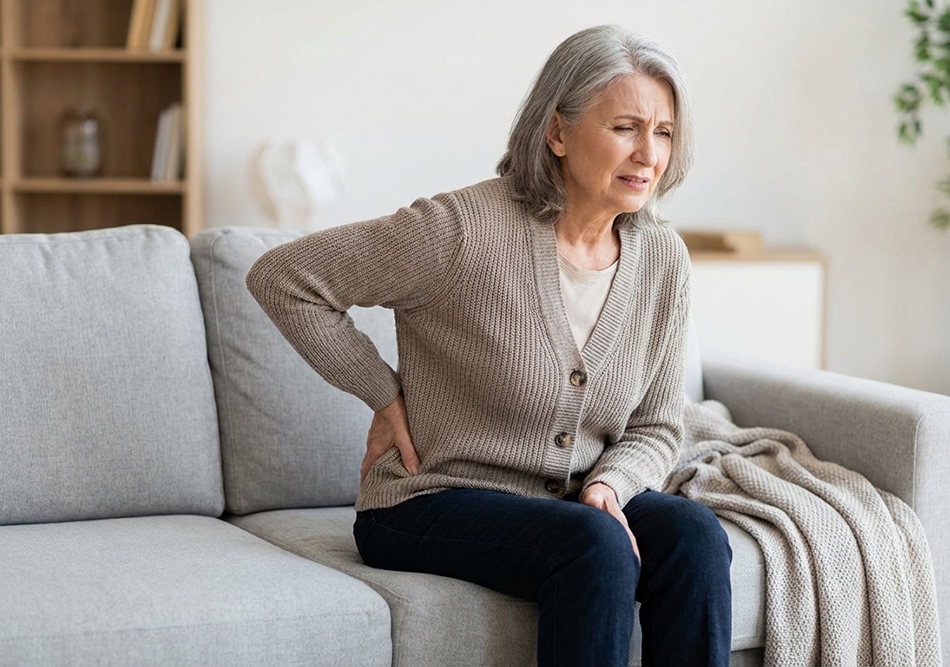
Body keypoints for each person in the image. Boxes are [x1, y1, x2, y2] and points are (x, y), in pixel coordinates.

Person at [247, 24, 733, 667]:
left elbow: (656, 427)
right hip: (428, 500)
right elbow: (285, 278)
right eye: (625, 127)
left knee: (696, 536)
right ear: (557, 132)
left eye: (664, 132)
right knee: (594, 545)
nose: (649, 154)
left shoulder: (662, 258)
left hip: (572, 506)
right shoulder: (459, 231)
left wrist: (611, 484)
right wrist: (381, 390)